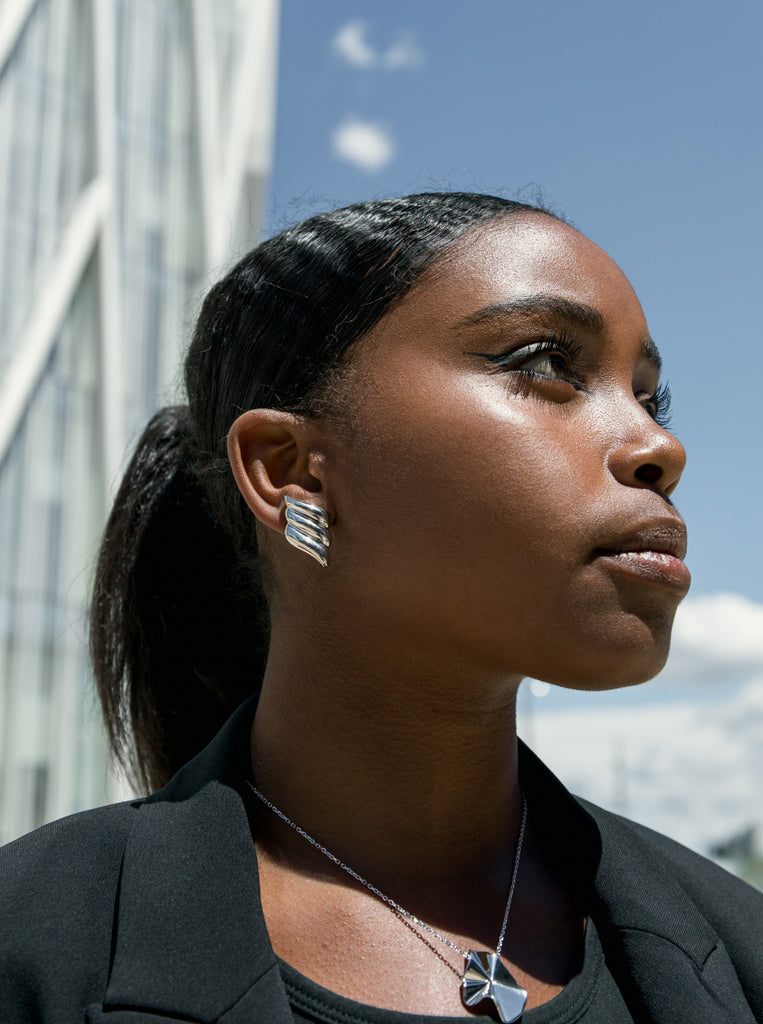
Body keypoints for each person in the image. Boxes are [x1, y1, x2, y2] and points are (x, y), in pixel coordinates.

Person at [1, 193, 761, 1024]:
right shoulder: (32, 951)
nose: (659, 447)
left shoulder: (735, 951)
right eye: (545, 364)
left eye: (650, 397)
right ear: (293, 472)